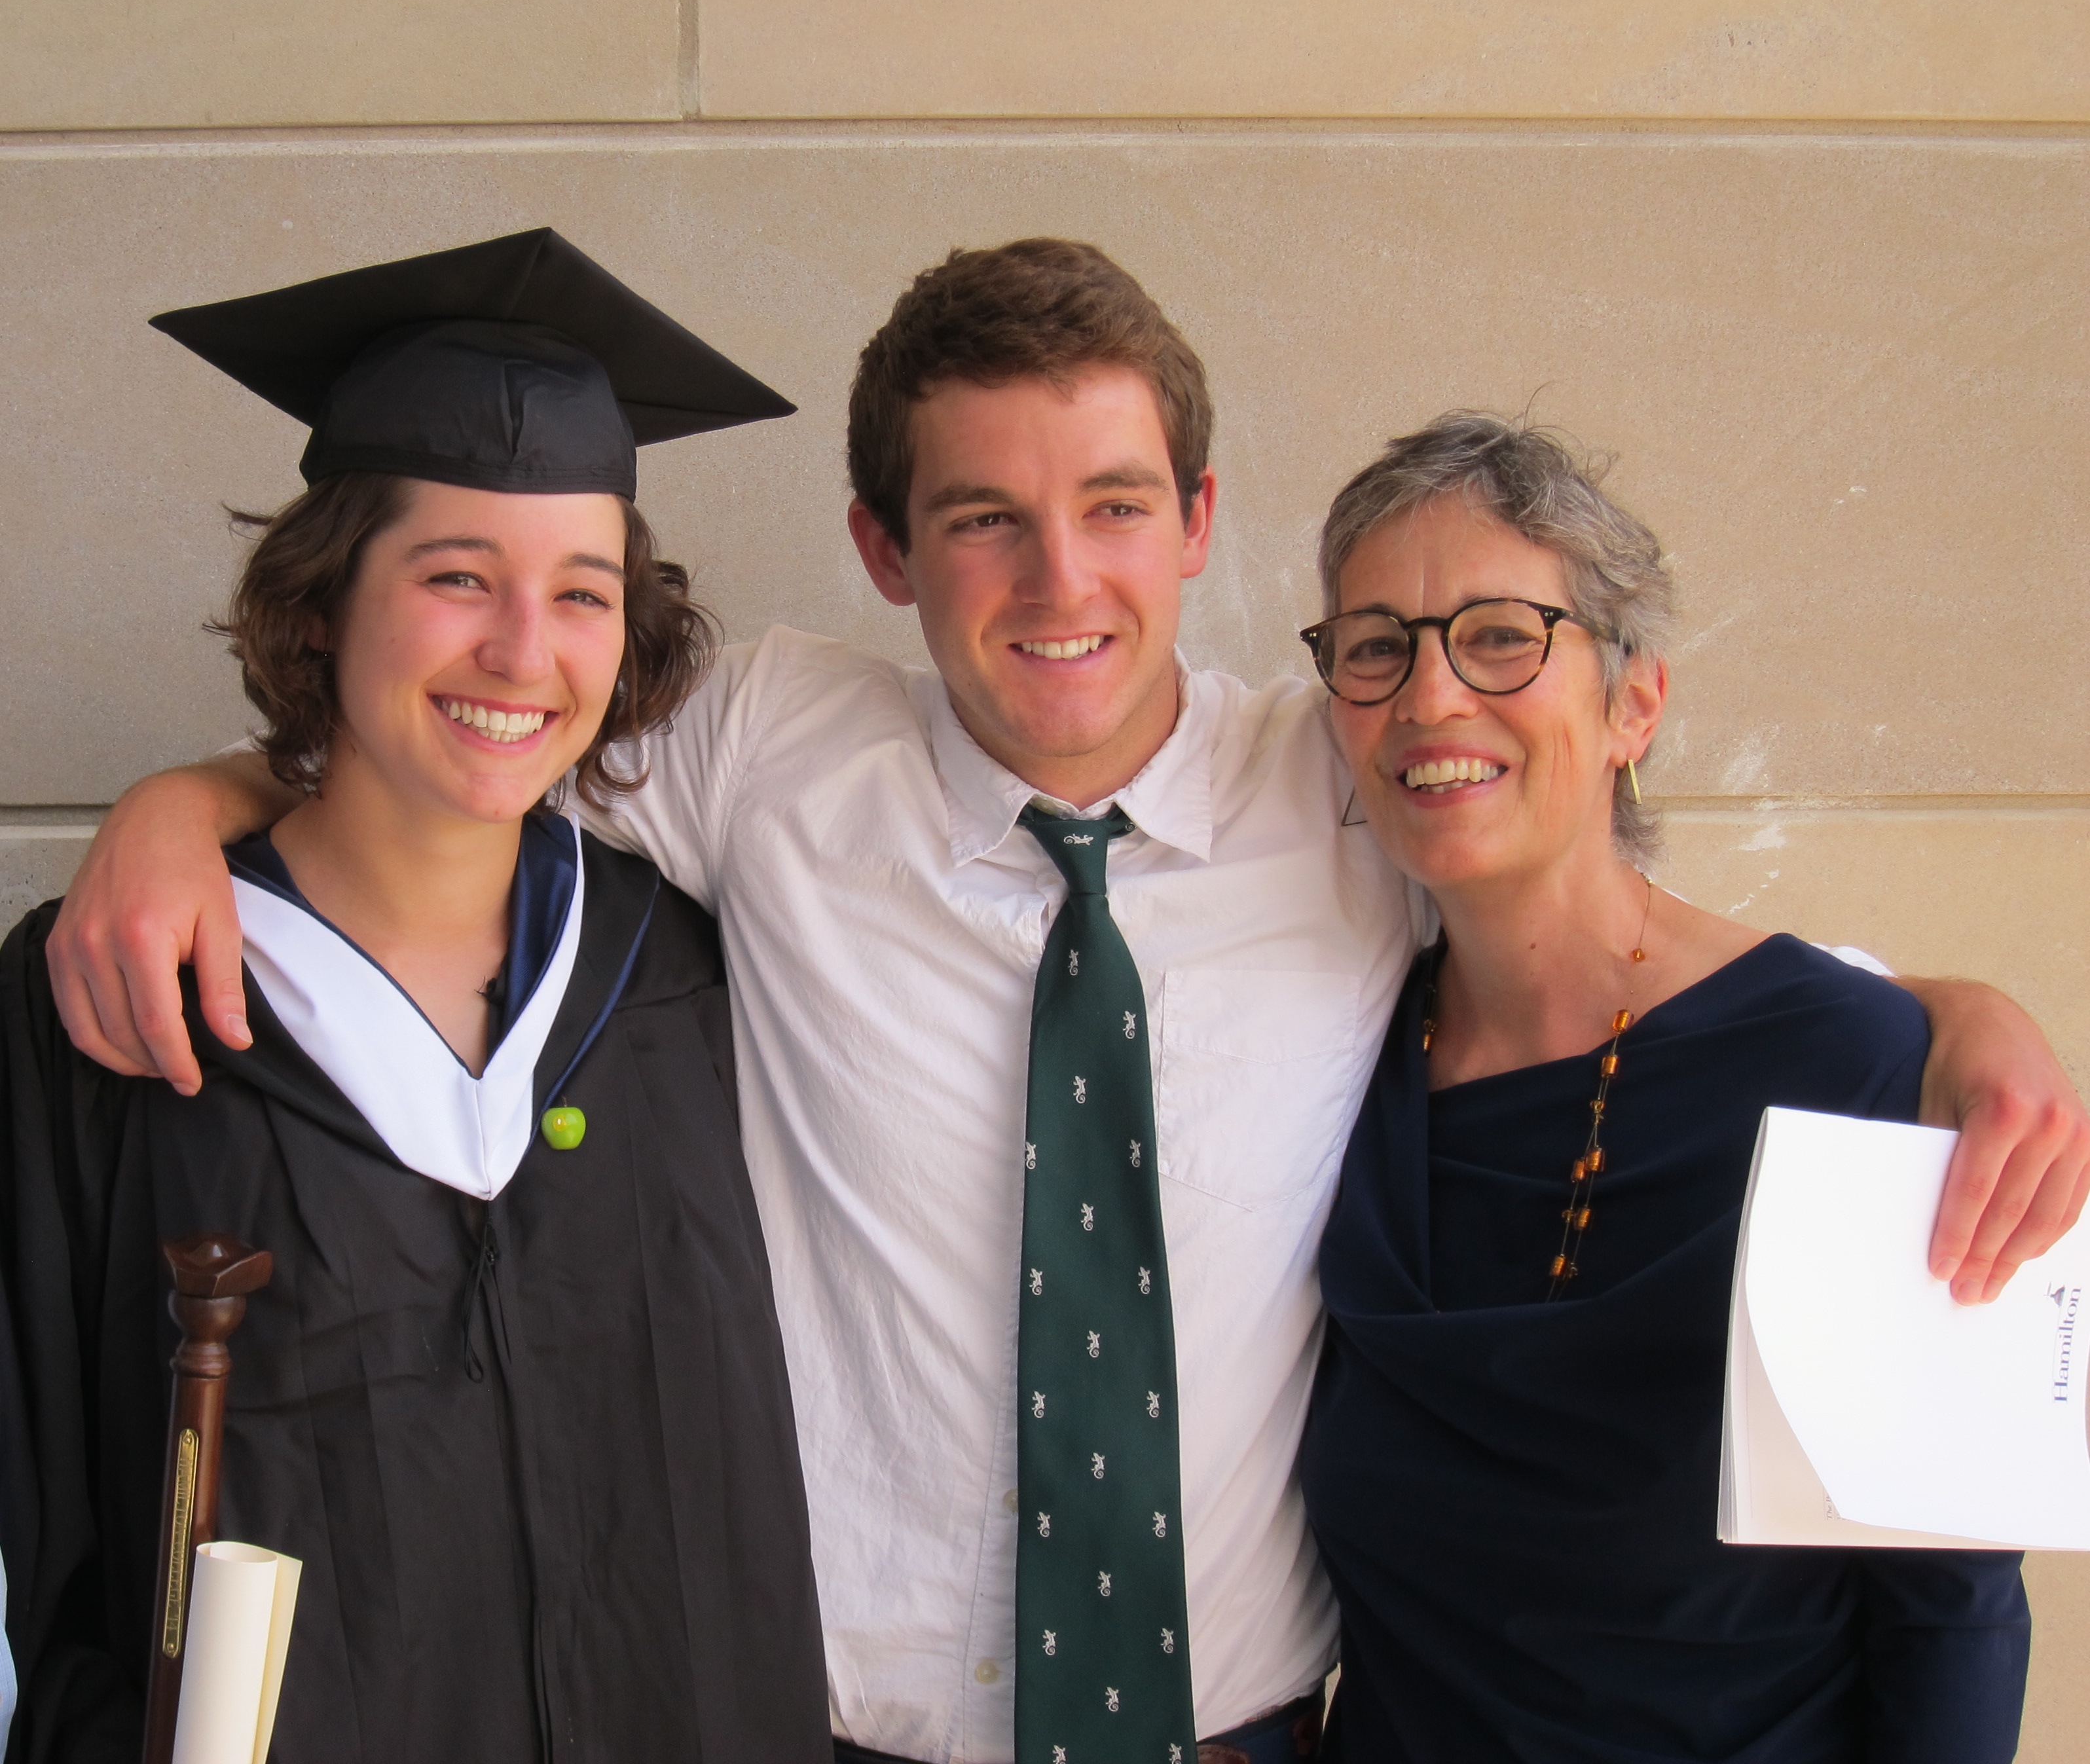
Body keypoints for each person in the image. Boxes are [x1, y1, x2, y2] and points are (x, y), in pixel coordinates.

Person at [37, 242, 2089, 1764]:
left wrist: (1938, 1018)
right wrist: (187, 809)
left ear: (1199, 525)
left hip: (1258, 1731)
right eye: (981, 520)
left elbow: (1600, 918)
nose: (1060, 583)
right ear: (878, 546)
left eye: (1116, 508)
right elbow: (455, 731)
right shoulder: (762, 749)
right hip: (846, 1729)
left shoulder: (1352, 766)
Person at [0, 230, 832, 1763]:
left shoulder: (687, 980)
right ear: (323, 604)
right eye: (457, 576)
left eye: (583, 594)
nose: (525, 649)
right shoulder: (117, 1004)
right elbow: (42, 1526)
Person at [1298, 413, 2032, 1761]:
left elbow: (1949, 1610)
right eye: (1374, 647)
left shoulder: (1847, 1069)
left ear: (1634, 702)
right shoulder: (1334, 1069)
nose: (1429, 697)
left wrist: (1963, 1016)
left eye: (1503, 636)